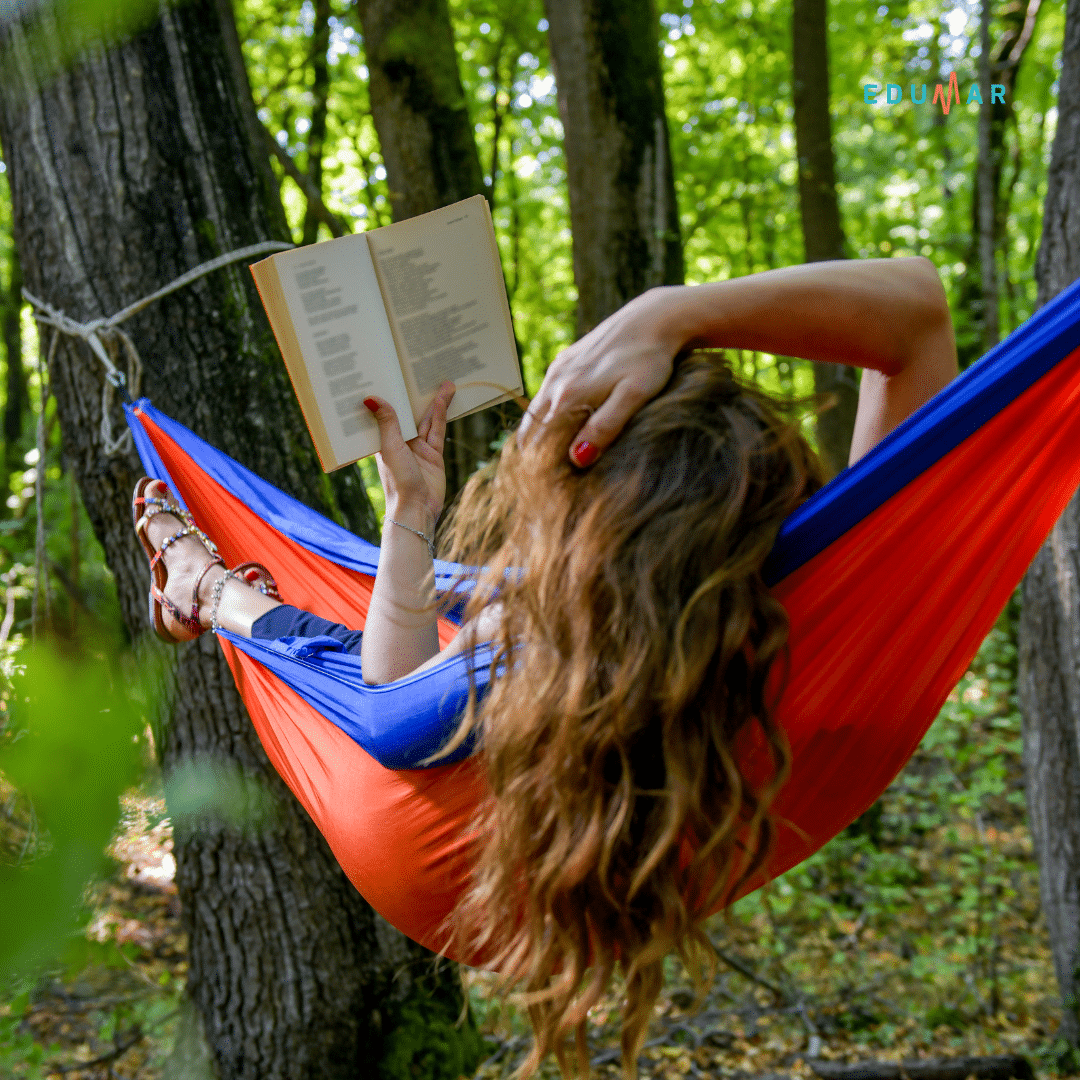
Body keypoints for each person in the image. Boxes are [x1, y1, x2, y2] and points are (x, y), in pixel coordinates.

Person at [133, 256, 957, 1079]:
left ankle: (207, 587)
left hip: (448, 873)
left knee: (432, 626)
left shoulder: (541, 659)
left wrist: (225, 589)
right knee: (482, 605)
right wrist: (673, 315)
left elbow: (378, 701)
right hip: (631, 808)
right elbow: (917, 312)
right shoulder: (849, 607)